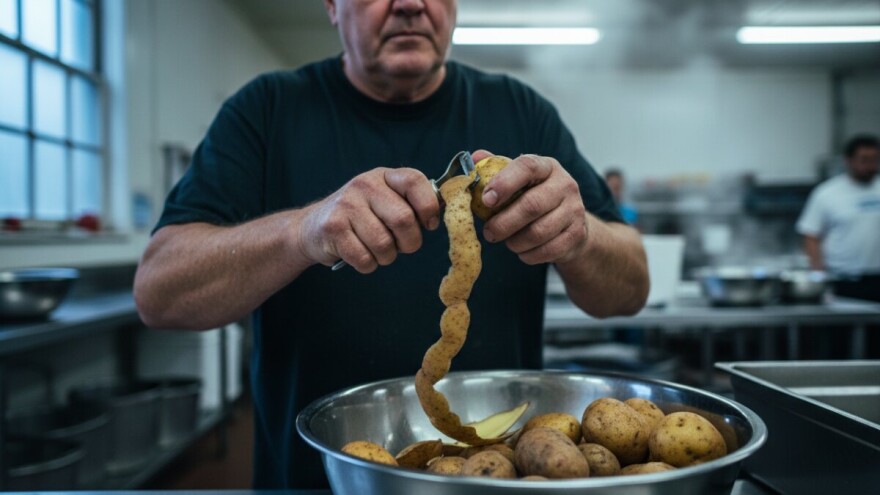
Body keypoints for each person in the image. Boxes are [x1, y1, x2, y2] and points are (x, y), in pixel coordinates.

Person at [133, 0, 649, 488]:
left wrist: (580, 237)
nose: (409, 4)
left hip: (500, 473)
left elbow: (630, 291)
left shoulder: (522, 111)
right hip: (319, 478)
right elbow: (159, 293)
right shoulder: (266, 111)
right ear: (332, 5)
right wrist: (303, 232)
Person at [797, 134, 880, 302]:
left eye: (875, 160)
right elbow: (811, 235)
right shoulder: (827, 194)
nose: (870, 166)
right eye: (864, 160)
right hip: (843, 279)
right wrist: (819, 275)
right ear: (848, 161)